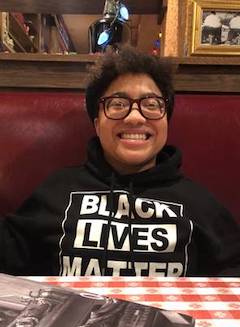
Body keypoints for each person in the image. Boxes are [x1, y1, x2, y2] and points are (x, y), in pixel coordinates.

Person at [0, 47, 239, 277]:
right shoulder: (57, 190)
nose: (135, 117)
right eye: (118, 104)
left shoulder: (199, 202)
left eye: (151, 105)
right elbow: (10, 255)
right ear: (96, 123)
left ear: (166, 122)